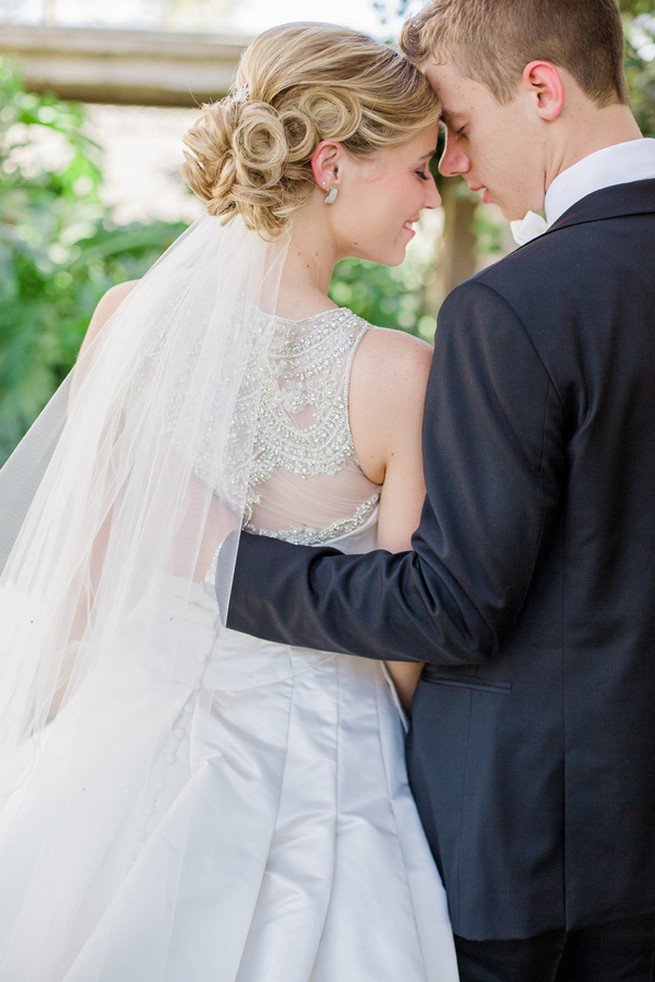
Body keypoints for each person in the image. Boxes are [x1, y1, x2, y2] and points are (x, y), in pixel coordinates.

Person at [0, 21, 463, 982]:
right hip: (324, 767)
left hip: (128, 737)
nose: (431, 195)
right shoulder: (395, 375)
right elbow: (401, 640)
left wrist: (60, 731)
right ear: (331, 163)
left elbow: (84, 566)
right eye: (419, 169)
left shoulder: (129, 320)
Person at [225, 2, 655, 980]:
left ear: (540, 90)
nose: (452, 168)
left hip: (539, 855)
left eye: (455, 129)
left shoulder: (516, 304)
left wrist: (220, 564)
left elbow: (450, 604)